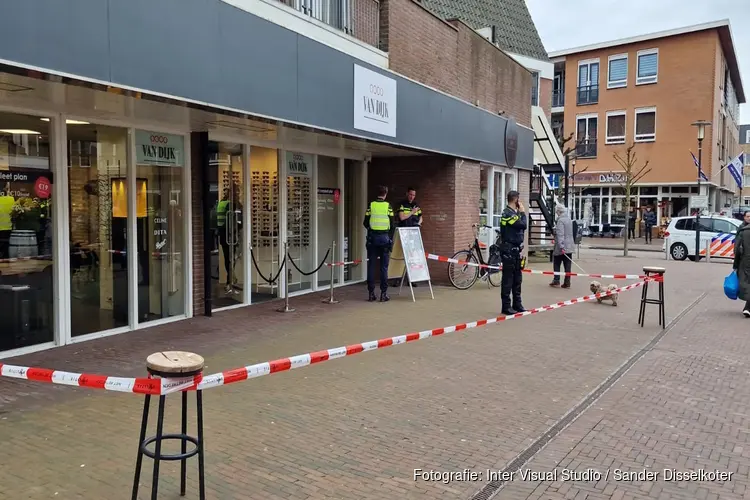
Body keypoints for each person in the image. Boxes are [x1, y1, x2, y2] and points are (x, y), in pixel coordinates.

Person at [363, 185, 396, 302]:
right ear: (385, 194)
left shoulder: (371, 205)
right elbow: (392, 224)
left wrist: (372, 230)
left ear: (377, 193)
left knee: (371, 265)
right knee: (383, 267)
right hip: (384, 239)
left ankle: (371, 293)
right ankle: (383, 294)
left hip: (372, 239)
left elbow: (365, 222)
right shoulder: (388, 207)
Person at [499, 190, 527, 315]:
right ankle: (506, 306)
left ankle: (517, 304)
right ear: (515, 200)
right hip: (508, 250)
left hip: (515, 251)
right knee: (508, 280)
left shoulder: (513, 214)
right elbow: (522, 225)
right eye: (518, 200)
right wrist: (523, 212)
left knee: (517, 279)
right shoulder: (507, 214)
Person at [396, 187, 423, 287]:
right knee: (401, 256)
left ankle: (412, 278)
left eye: (414, 195)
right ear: (407, 194)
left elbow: (421, 217)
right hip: (404, 233)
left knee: (412, 256)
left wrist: (419, 224)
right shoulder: (402, 204)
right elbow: (402, 217)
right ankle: (397, 278)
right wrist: (412, 212)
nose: (412, 197)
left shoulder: (416, 205)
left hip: (413, 234)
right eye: (410, 194)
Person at [550, 204, 574, 289]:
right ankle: (567, 282)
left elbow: (560, 234)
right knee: (567, 265)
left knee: (556, 263)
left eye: (556, 212)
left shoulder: (560, 221)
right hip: (569, 245)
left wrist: (561, 246)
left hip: (561, 246)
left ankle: (556, 280)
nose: (556, 213)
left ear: (559, 212)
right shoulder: (569, 219)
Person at [732, 211, 750, 317]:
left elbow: (737, 249)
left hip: (745, 262)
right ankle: (748, 307)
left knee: (746, 283)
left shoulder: (744, 231)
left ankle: (747, 307)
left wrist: (736, 264)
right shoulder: (742, 228)